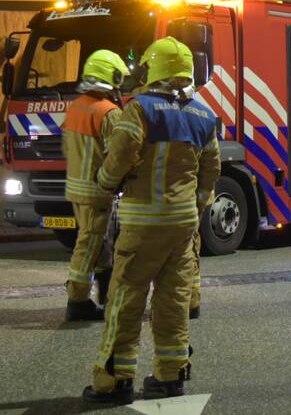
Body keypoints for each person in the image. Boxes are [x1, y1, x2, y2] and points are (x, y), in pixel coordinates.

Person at [83, 37, 220, 405]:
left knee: (125, 299)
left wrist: (106, 182)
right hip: (184, 225)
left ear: (152, 69)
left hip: (144, 222)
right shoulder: (204, 115)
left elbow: (123, 152)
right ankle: (170, 374)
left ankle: (113, 380)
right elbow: (211, 170)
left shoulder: (140, 109)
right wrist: (197, 204)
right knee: (173, 299)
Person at [63, 49, 129, 322]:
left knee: (97, 240)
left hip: (76, 188)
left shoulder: (76, 106)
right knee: (89, 243)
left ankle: (104, 290)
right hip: (97, 191)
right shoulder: (109, 113)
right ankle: (77, 301)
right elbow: (118, 155)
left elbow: (67, 149)